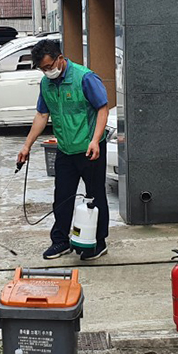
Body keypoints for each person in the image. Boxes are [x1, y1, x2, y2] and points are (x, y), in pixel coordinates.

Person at [17, 39, 110, 261]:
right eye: (42, 69)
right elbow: (41, 115)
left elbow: (102, 109)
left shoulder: (84, 78)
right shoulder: (46, 84)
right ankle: (60, 240)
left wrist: (95, 140)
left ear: (60, 59)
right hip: (65, 149)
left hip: (90, 148)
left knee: (95, 195)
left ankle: (98, 242)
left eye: (49, 67)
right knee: (62, 196)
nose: (46, 71)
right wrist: (26, 145)